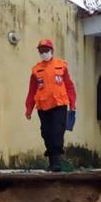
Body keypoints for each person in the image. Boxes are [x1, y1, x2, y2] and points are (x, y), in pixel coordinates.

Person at [25, 39, 76, 172]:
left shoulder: (62, 66)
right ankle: (52, 163)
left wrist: (73, 104)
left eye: (46, 50)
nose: (44, 53)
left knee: (57, 132)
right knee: (46, 133)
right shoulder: (36, 70)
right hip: (43, 106)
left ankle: (56, 162)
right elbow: (32, 90)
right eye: (41, 51)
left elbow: (69, 86)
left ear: (52, 51)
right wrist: (28, 109)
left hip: (59, 104)